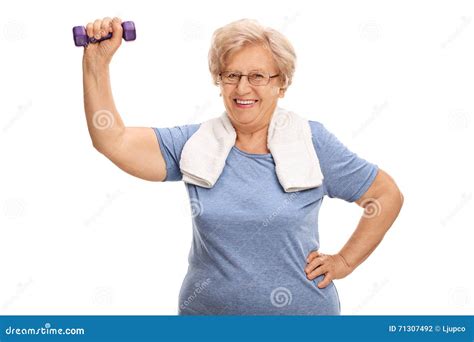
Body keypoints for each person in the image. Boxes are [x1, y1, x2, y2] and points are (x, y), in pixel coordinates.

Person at [82, 17, 404, 315]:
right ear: (219, 81)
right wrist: (96, 64)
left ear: (282, 83)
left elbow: (385, 195)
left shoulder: (311, 141)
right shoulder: (195, 143)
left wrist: (344, 261)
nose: (243, 88)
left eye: (258, 76)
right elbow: (112, 141)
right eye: (231, 75)